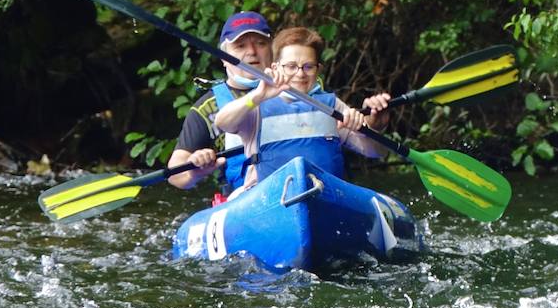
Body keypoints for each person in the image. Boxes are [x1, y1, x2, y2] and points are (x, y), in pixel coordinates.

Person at [211, 26, 392, 187]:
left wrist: (367, 129)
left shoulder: (331, 106)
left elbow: (377, 152)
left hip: (327, 195)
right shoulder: (256, 106)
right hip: (271, 200)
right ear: (276, 68)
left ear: (318, 69)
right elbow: (223, 122)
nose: (300, 74)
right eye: (291, 66)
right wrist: (257, 96)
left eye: (308, 66)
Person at [166, 11, 274, 198]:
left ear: (273, 50)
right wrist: (195, 169)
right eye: (240, 46)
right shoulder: (207, 107)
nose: (252, 52)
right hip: (243, 199)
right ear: (224, 58)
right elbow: (175, 175)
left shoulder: (299, 89)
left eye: (260, 43)